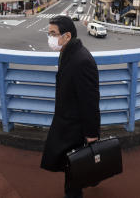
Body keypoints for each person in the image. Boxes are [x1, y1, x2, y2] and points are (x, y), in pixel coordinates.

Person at [41, 15, 100, 198]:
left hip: (75, 128)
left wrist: (91, 135)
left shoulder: (81, 61)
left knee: (73, 169)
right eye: (49, 33)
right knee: (72, 165)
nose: (50, 38)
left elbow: (90, 101)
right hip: (67, 122)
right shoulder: (67, 53)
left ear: (67, 36)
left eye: (53, 33)